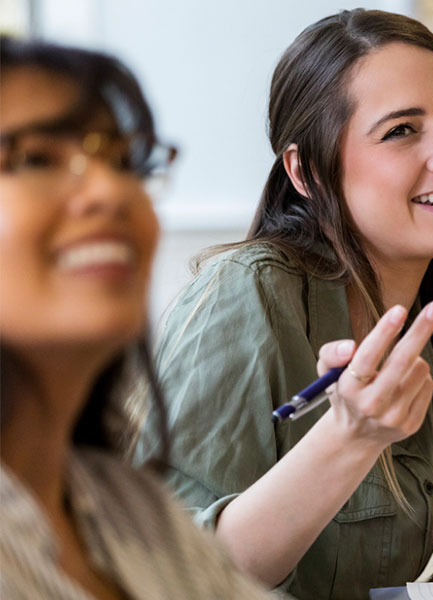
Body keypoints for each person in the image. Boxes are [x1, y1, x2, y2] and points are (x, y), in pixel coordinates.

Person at [134, 10, 433, 599]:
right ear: (308, 171)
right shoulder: (246, 300)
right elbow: (167, 571)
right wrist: (347, 439)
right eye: (401, 130)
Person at [0, 37, 275, 599]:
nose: (110, 191)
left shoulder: (134, 510)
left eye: (124, 162)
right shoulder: (248, 289)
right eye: (35, 159)